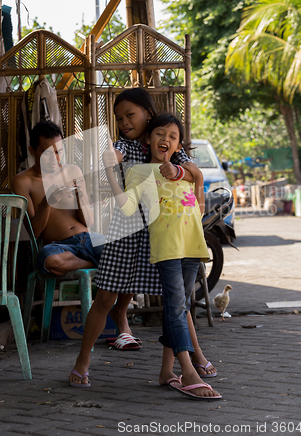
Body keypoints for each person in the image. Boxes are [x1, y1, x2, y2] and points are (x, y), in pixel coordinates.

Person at [69, 88, 217, 387]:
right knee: (105, 297)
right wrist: (111, 159)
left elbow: (190, 171)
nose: (124, 122)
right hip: (126, 233)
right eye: (119, 117)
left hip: (161, 233)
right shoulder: (123, 146)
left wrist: (178, 171)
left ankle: (195, 355)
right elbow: (111, 164)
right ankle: (82, 362)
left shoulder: (166, 143)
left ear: (148, 114)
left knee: (176, 300)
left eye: (130, 115)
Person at [104, 113, 221, 400]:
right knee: (176, 307)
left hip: (193, 248)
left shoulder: (186, 170)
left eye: (172, 136)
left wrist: (197, 176)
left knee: (180, 308)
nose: (165, 140)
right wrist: (110, 173)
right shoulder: (139, 173)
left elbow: (199, 211)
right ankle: (188, 371)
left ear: (178, 144)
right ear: (148, 139)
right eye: (160, 134)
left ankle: (165, 371)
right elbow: (128, 208)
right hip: (167, 251)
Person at [12, 121, 104, 276]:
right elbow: (34, 232)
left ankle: (91, 262)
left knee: (123, 250)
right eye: (47, 153)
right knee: (48, 260)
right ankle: (94, 263)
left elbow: (89, 222)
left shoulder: (73, 171)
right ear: (32, 151)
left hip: (88, 239)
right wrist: (47, 203)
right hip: (59, 247)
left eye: (59, 152)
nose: (55, 159)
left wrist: (80, 197)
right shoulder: (22, 181)